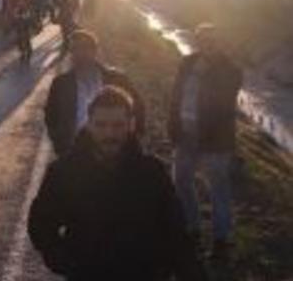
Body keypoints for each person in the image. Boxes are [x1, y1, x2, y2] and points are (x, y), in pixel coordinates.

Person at [29, 86, 206, 281]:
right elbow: (40, 224)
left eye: (117, 125)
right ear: (89, 125)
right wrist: (65, 261)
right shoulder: (64, 172)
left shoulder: (151, 172)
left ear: (131, 125)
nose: (109, 134)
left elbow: (175, 230)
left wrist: (183, 270)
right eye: (101, 125)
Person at [168, 24, 243, 259]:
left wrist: (206, 72)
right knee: (181, 180)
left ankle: (221, 240)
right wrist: (173, 125)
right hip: (186, 136)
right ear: (197, 41)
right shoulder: (188, 62)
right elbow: (176, 95)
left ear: (221, 43)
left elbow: (223, 102)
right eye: (203, 40)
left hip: (215, 141)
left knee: (218, 189)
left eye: (213, 40)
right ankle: (192, 227)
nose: (208, 44)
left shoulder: (230, 70)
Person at [44, 29, 145, 157]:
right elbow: (51, 116)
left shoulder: (117, 79)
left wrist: (133, 139)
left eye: (85, 48)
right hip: (75, 153)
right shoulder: (61, 84)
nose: (80, 53)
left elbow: (139, 108)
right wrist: (59, 145)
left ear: (95, 51)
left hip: (114, 151)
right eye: (75, 49)